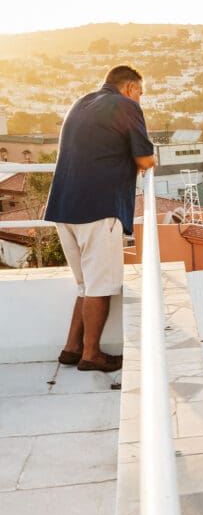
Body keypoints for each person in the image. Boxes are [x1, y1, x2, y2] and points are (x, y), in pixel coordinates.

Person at [45, 65, 156, 372]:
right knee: (100, 287)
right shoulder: (126, 106)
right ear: (131, 88)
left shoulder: (81, 102)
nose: (141, 100)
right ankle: (91, 354)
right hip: (98, 209)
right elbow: (145, 159)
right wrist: (150, 160)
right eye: (141, 94)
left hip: (63, 208)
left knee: (85, 285)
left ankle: (71, 349)